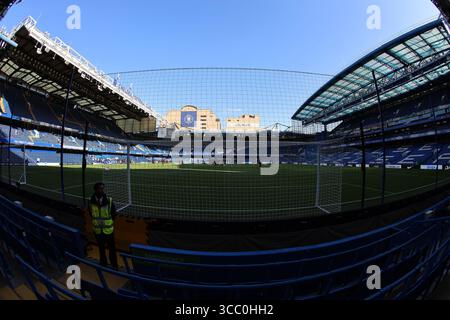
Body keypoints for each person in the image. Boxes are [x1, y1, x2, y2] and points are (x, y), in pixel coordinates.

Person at [88, 182, 118, 269]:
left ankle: (114, 265)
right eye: (99, 189)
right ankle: (103, 263)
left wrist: (109, 222)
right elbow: (91, 213)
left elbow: (114, 213)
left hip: (108, 230)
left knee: (112, 249)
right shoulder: (90, 201)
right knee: (101, 248)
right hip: (97, 230)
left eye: (102, 189)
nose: (101, 190)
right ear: (95, 190)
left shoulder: (109, 200)